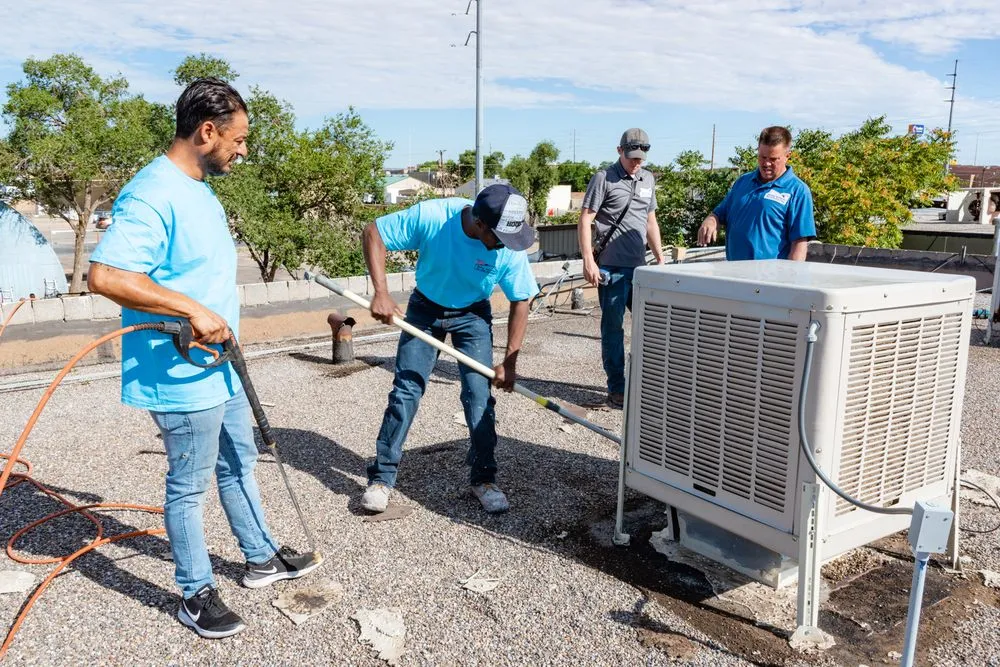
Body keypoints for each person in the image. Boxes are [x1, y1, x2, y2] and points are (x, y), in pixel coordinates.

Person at [88, 78, 319, 640]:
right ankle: (194, 591)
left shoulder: (198, 188)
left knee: (239, 462)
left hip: (220, 361)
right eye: (237, 140)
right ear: (206, 131)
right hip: (178, 370)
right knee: (188, 485)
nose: (243, 150)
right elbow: (108, 275)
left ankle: (260, 556)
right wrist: (191, 309)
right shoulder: (151, 192)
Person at [360, 184, 539, 515]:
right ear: (480, 223)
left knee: (479, 396)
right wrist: (381, 292)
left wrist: (510, 360)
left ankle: (484, 479)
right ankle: (382, 477)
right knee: (406, 390)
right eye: (500, 237)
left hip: (472, 315)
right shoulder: (432, 216)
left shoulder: (508, 247)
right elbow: (374, 232)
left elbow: (521, 298)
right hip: (425, 309)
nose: (506, 246)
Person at [577, 128, 664, 409]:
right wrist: (588, 260)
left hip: (640, 269)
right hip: (611, 268)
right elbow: (585, 218)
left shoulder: (647, 178)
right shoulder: (603, 178)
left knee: (653, 327)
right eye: (631, 158)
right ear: (619, 151)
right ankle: (617, 388)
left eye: (640, 158)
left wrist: (660, 258)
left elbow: (650, 220)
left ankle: (648, 383)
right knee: (613, 329)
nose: (636, 163)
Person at [697, 126, 816, 261]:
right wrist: (711, 220)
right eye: (762, 157)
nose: (766, 163)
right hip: (733, 274)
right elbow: (719, 214)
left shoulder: (797, 190)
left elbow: (799, 243)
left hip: (769, 278)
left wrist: (791, 277)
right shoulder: (743, 182)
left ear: (787, 156)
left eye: (773, 159)